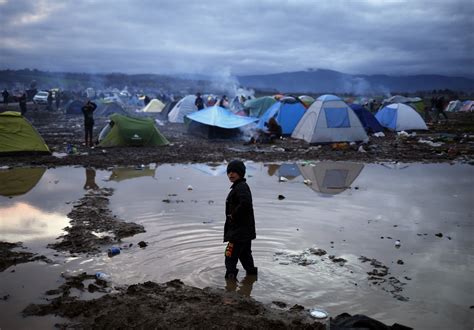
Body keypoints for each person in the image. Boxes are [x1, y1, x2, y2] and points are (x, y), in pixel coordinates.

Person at [224, 160, 258, 280]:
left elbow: (246, 203)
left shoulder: (241, 187)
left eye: (234, 172)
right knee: (245, 255)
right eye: (229, 172)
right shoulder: (240, 186)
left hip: (238, 232)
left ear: (241, 173)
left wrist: (233, 215)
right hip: (245, 231)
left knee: (230, 256)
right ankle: (251, 279)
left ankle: (230, 284)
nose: (231, 174)